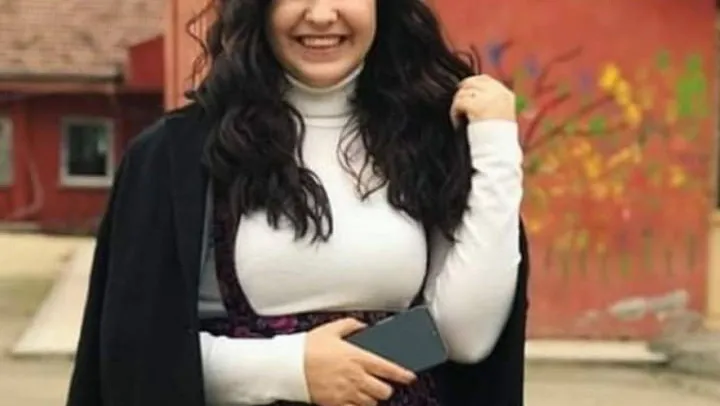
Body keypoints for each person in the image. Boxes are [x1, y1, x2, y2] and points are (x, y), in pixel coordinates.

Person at [66, 0, 529, 405]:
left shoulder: (426, 142)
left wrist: (495, 147)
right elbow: (134, 357)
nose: (322, 14)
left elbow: (461, 338)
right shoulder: (178, 157)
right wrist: (291, 368)